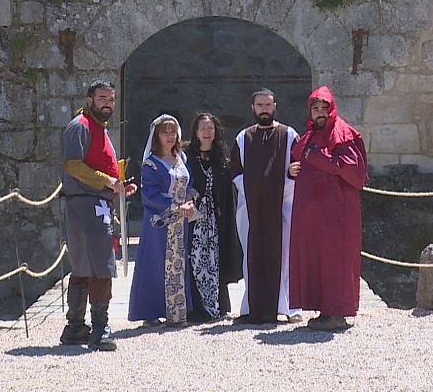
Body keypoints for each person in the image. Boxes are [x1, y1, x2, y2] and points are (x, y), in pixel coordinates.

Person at [60, 80, 137, 351]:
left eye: (112, 99)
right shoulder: (79, 126)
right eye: (102, 98)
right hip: (85, 205)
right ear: (90, 99)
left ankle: (75, 327)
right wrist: (107, 181)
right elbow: (72, 165)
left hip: (96, 203)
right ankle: (100, 329)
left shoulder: (98, 128)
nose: (108, 103)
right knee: (100, 266)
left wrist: (119, 184)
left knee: (85, 265)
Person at [288, 86, 368, 331]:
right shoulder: (311, 135)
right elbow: (300, 160)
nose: (320, 113)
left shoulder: (343, 134)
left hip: (337, 214)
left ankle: (337, 313)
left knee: (337, 261)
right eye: (316, 108)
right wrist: (293, 171)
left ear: (332, 108)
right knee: (319, 260)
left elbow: (354, 173)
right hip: (314, 216)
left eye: (324, 108)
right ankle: (325, 310)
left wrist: (316, 158)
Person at [230, 88, 302, 324]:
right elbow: (235, 170)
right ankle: (252, 307)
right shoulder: (243, 138)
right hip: (250, 208)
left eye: (268, 105)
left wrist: (284, 186)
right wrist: (253, 191)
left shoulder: (289, 135)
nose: (264, 109)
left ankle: (288, 307)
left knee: (283, 255)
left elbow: (298, 167)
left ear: (275, 107)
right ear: (253, 108)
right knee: (251, 255)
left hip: (283, 207)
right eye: (259, 105)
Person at [128, 114, 197, 327]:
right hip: (160, 222)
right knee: (155, 265)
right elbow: (150, 195)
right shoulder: (151, 164)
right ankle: (150, 312)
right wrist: (177, 207)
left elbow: (190, 183)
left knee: (178, 264)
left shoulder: (181, 159)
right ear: (156, 136)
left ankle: (176, 312)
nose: (169, 136)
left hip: (181, 221)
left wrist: (190, 199)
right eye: (164, 132)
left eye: (172, 131)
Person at [185, 113, 242, 321]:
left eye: (210, 128)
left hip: (216, 221)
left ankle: (218, 306)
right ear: (196, 132)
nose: (207, 132)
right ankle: (197, 308)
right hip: (195, 219)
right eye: (203, 128)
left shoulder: (222, 160)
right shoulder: (187, 158)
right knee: (196, 260)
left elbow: (228, 192)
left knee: (215, 260)